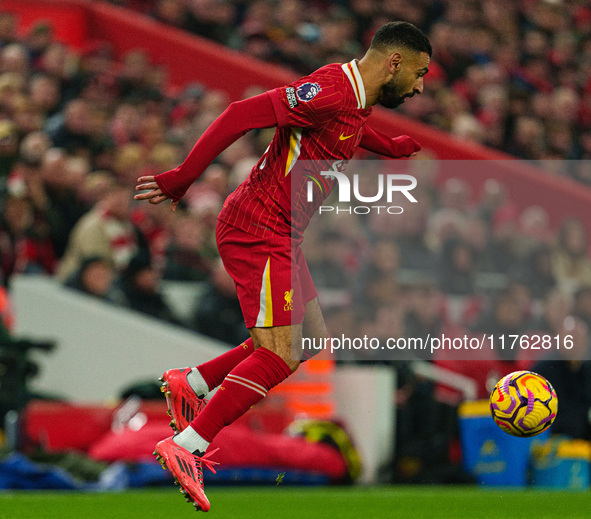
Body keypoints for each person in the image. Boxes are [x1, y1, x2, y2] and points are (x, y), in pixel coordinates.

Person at [135, 21, 431, 512]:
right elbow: (238, 114)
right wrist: (182, 178)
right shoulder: (332, 89)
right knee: (282, 352)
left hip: (282, 235)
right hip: (258, 229)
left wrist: (390, 147)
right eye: (419, 73)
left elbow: (346, 127)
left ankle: (195, 382)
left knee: (309, 338)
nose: (421, 86)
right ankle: (186, 446)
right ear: (394, 62)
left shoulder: (357, 98)